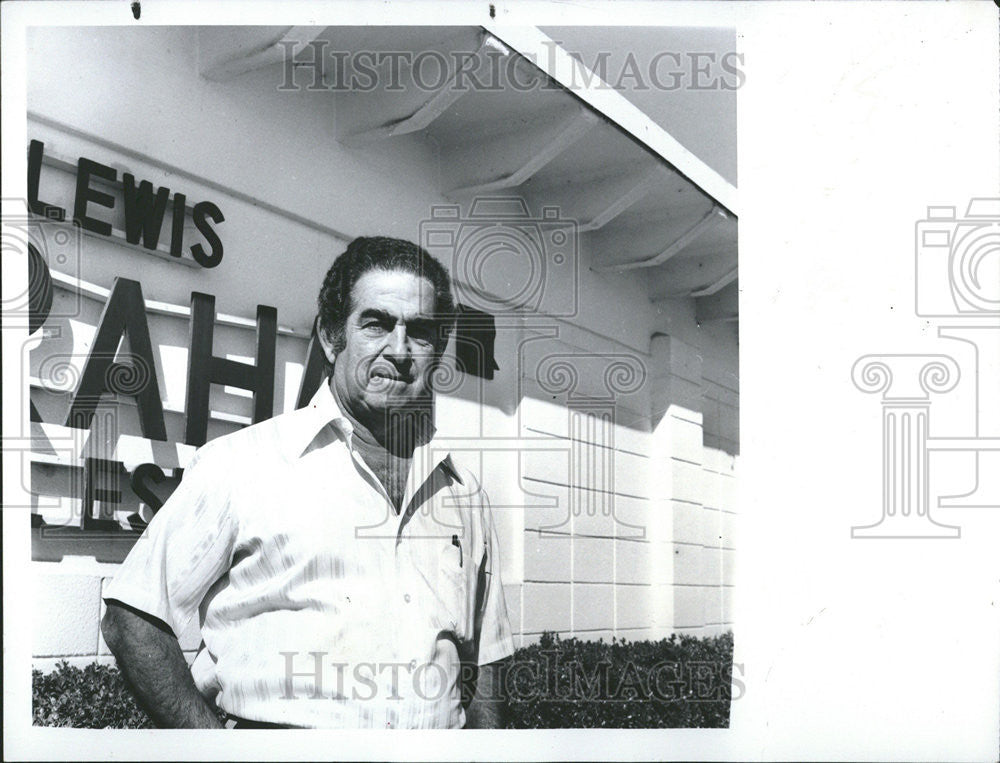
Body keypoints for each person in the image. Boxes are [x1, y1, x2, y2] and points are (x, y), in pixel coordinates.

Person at [101, 236, 515, 729]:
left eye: (420, 332)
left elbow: (487, 659)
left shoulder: (463, 492)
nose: (399, 350)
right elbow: (132, 619)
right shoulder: (242, 464)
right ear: (330, 336)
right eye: (377, 323)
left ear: (438, 350)